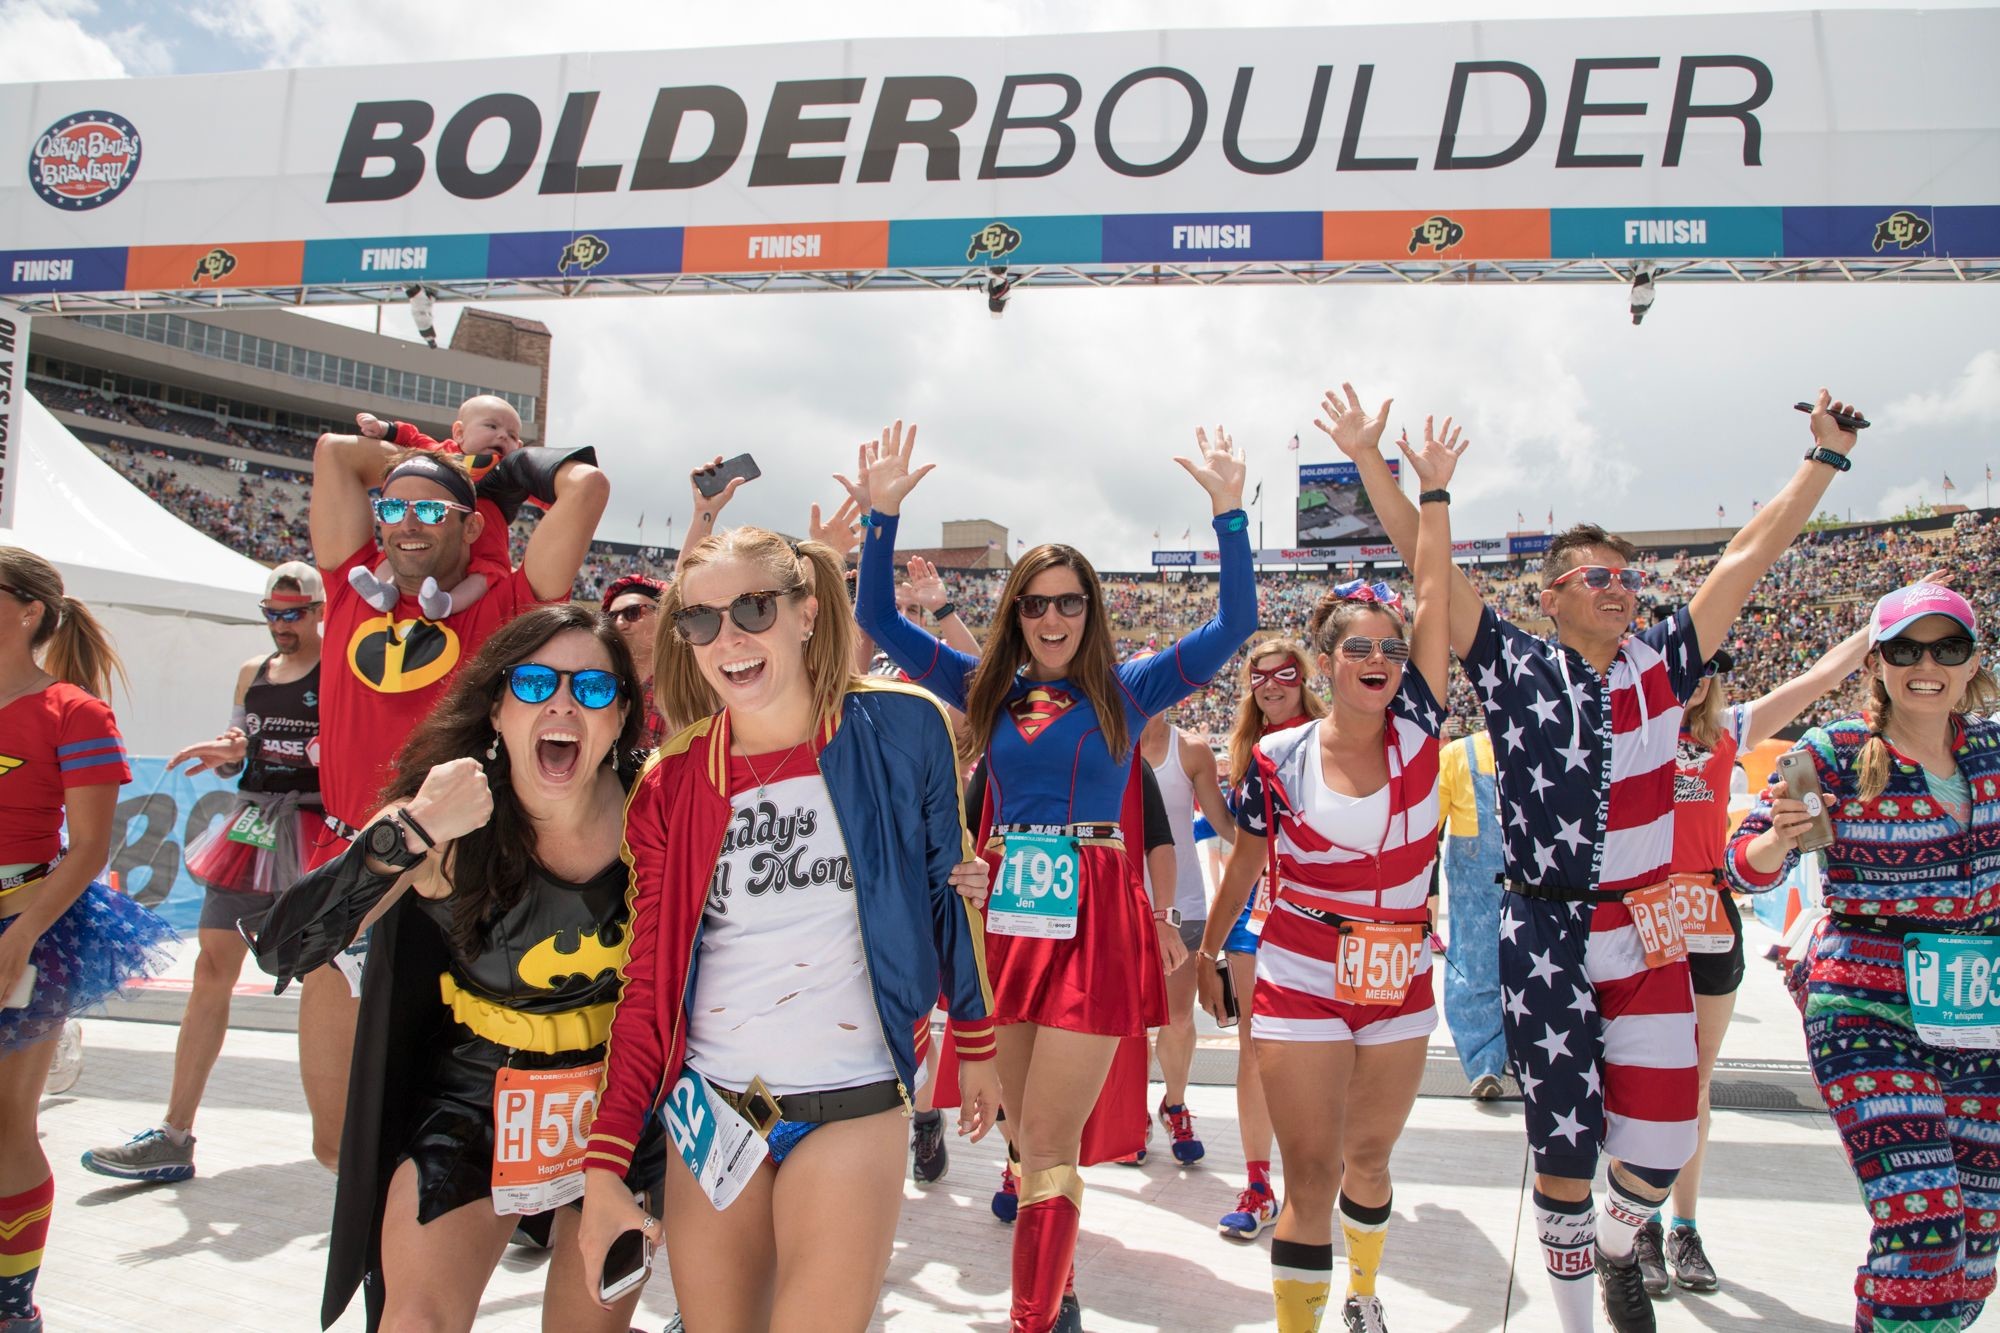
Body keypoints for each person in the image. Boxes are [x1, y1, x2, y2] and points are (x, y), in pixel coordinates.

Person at [1327, 385, 1865, 1332]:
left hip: (1644, 925)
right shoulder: (1512, 661)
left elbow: (1748, 555)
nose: (1621, 587)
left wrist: (1824, 458)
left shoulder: (1666, 661)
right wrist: (1379, 463)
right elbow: (1428, 564)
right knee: (1564, 1152)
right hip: (1542, 924)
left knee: (1662, 1140)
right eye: (1597, 575)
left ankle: (1621, 1242)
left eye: (1627, 575)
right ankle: (1580, 1318)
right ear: (1551, 596)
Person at [851, 420, 1256, 1331]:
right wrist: (882, 517)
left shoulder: (1130, 688)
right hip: (1006, 913)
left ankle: (1034, 1315)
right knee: (1021, 1131)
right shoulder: (986, 685)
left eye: (1069, 601)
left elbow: (1234, 624)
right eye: (1036, 603)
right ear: (1017, 612)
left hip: (1095, 916)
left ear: (1091, 608)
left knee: (1048, 1136)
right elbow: (876, 618)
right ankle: (1056, 1283)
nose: (1053, 618)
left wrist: (1229, 514)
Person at [579, 523, 1001, 1332]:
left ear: (806, 612)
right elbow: (648, 984)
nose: (728, 638)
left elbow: (947, 889)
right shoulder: (670, 781)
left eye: (752, 609)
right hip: (713, 1111)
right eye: (701, 620)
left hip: (854, 1094)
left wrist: (977, 1044)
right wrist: (606, 1160)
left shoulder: (904, 728)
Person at [250, 604, 661, 1332]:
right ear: (497, 707)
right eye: (534, 683)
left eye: (594, 688)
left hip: (622, 1105)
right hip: (476, 1095)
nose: (563, 704)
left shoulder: (659, 809)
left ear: (622, 714)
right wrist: (412, 831)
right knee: (414, 1321)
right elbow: (286, 949)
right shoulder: (444, 824)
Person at [1197, 423, 1462, 1333]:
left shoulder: (1421, 732)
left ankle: (1363, 1293)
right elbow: (1246, 859)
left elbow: (1433, 589)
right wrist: (1207, 950)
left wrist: (1429, 490)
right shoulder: (1278, 756)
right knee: (1309, 1176)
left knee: (1370, 1161)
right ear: (1329, 661)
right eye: (1358, 648)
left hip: (1400, 978)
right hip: (1301, 972)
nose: (1378, 659)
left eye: (1391, 647)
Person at [306, 423, 606, 1169]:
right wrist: (432, 458)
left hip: (457, 885)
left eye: (433, 510)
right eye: (393, 507)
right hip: (355, 868)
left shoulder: (508, 603)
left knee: (442, 1136)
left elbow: (587, 487)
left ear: (472, 526)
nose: (408, 523)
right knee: (336, 1143)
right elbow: (335, 452)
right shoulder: (348, 583)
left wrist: (505, 471)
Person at [1727, 580, 1997, 1333]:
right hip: (1865, 1012)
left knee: (1976, 1244)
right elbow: (1744, 868)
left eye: (1947, 648)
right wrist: (1778, 837)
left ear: (1973, 661)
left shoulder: (1993, 750)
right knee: (1923, 1224)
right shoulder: (1835, 753)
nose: (1927, 666)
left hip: (1980, 1018)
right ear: (1876, 662)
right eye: (1907, 650)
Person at [1630, 611, 1871, 1297]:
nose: (1698, 678)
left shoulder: (1731, 729)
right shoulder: (1625, 730)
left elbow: (1818, 678)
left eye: (1709, 668)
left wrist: (1880, 623)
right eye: (1684, 665)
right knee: (1640, 1082)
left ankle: (1684, 1226)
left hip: (1708, 919)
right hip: (1638, 920)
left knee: (1695, 1085)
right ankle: (1638, 1219)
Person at [81, 563, 331, 1184]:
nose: (281, 625)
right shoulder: (254, 671)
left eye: (293, 614)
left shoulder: (341, 669)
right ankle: (174, 1133)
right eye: (272, 614)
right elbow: (239, 740)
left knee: (328, 985)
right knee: (212, 969)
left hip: (317, 833)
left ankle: (347, 1143)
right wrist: (227, 750)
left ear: (320, 610)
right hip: (251, 827)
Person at [0, 548, 174, 1333]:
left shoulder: (74, 711)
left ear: (29, 609)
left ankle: (12, 1306)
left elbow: (91, 847)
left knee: (7, 1121)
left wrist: (23, 934)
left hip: (25, 930)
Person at [1215, 635, 1327, 1242]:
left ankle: (1318, 1175)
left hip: (1321, 915)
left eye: (1283, 674)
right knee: (1254, 1049)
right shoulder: (1246, 747)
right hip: (1254, 914)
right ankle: (1258, 1185)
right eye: (1259, 677)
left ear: (1303, 677)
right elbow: (1238, 840)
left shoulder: (1334, 736)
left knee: (1320, 1054)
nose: (1271, 686)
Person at [1138, 708, 1234, 1166]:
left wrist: (1274, 849)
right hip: (1122, 904)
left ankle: (1174, 1106)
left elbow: (1223, 823)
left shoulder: (1191, 751)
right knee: (1131, 1024)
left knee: (1177, 1018)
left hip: (1183, 906)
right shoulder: (1104, 745)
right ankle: (1131, 1110)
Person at [349, 397, 524, 619]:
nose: (502, 435)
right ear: (459, 433)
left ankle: (446, 604)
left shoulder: (514, 472)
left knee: (488, 574)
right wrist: (384, 428)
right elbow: (413, 437)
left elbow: (546, 488)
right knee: (394, 551)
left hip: (488, 538)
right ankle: (384, 589)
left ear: (519, 448)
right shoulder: (443, 453)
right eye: (492, 426)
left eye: (512, 436)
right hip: (439, 523)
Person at [1437, 723, 1508, 1099]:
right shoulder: (1458, 755)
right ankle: (1484, 1063)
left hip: (1537, 884)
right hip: (1475, 888)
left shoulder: (1544, 748)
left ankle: (1525, 1056)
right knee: (1475, 966)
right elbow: (1428, 824)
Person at [601, 574, 666, 750]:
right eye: (611, 617)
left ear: (664, 616)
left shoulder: (689, 687)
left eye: (633, 612)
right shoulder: (598, 682)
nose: (619, 624)